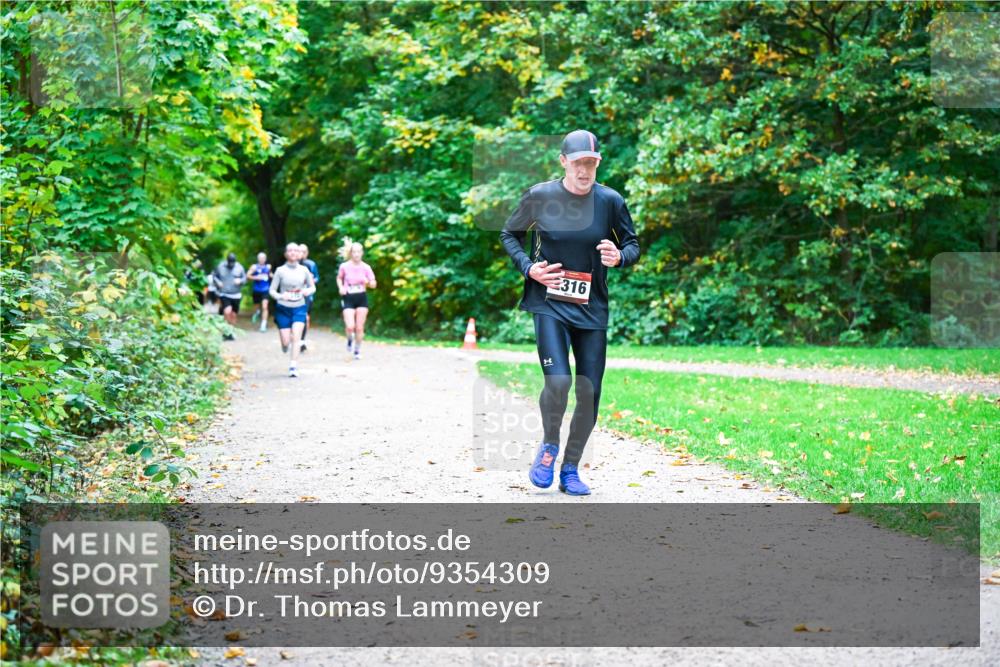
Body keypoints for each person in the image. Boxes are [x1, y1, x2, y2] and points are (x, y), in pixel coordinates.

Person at [499, 129, 640, 496]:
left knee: (589, 392)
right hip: (549, 302)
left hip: (591, 307)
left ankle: (571, 469)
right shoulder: (540, 196)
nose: (584, 170)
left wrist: (619, 256)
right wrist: (529, 268)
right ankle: (549, 446)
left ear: (597, 164)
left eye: (591, 163)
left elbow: (632, 244)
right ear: (563, 162)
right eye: (578, 163)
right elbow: (509, 235)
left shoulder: (610, 201)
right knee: (559, 381)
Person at [269, 243, 316, 377]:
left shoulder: (304, 270)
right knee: (286, 342)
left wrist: (307, 291)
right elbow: (272, 290)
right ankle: (285, 346)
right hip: (283, 308)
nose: (293, 253)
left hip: (299, 307)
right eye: (290, 250)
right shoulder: (280, 271)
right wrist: (280, 296)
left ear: (299, 254)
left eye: (296, 250)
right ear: (285, 254)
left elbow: (312, 287)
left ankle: (293, 366)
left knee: (296, 336)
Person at [336, 241, 376, 360]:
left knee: (359, 327)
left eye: (358, 252)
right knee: (350, 326)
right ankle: (349, 339)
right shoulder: (344, 266)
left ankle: (357, 349)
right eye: (354, 252)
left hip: (361, 297)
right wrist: (341, 287)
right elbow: (339, 278)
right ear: (350, 253)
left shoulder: (366, 267)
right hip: (348, 297)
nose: (356, 254)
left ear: (362, 253)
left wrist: (368, 282)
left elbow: (373, 283)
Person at [213, 252, 246, 340]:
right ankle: (226, 331)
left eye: (232, 263)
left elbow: (244, 278)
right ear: (227, 261)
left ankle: (231, 331)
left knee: (233, 315)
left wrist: (240, 281)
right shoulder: (220, 267)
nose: (231, 265)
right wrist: (218, 282)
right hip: (225, 293)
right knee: (227, 311)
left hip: (236, 294)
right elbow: (214, 277)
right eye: (230, 263)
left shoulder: (239, 267)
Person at [299, 243, 320, 352]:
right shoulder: (293, 264)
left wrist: (311, 280)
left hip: (308, 295)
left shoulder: (311, 264)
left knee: (305, 317)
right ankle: (295, 338)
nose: (302, 254)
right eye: (300, 251)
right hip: (295, 295)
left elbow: (317, 278)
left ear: (307, 253)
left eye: (304, 252)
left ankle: (302, 340)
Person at [247, 252, 272, 332]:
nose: (262, 259)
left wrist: (273, 275)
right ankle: (257, 313)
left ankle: (263, 325)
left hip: (266, 289)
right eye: (260, 258)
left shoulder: (268, 267)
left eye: (263, 258)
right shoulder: (254, 267)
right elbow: (248, 275)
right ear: (258, 259)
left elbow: (270, 275)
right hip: (257, 290)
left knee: (265, 306)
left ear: (265, 259)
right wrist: (256, 277)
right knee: (257, 307)